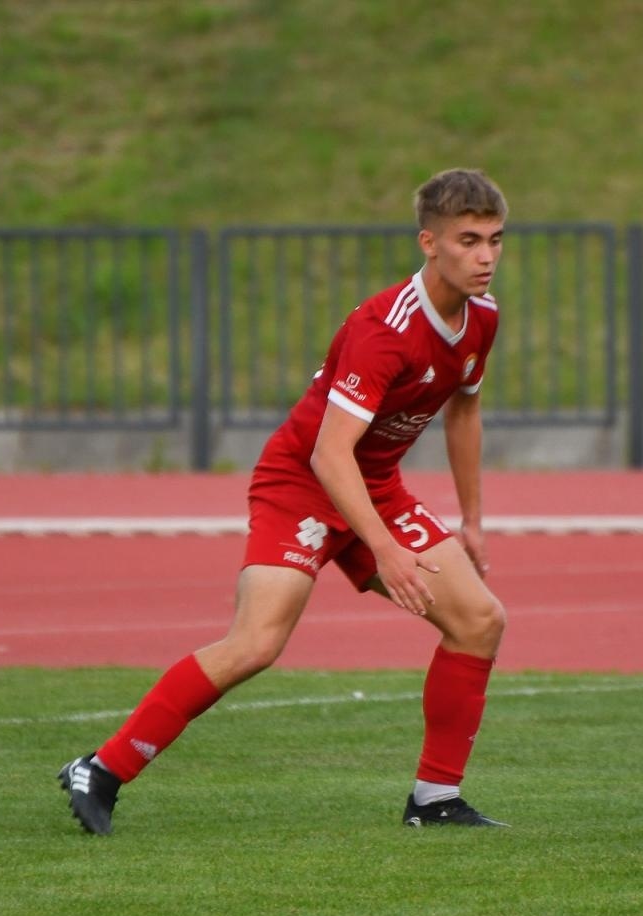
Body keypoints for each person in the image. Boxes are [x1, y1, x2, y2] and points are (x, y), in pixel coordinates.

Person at [59, 168, 510, 834]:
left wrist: (471, 521)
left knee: (480, 621)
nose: (486, 256)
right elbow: (329, 454)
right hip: (301, 482)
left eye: (496, 240)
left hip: (375, 488)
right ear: (428, 242)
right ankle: (100, 768)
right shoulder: (384, 330)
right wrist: (387, 550)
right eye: (469, 240)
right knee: (257, 643)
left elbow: (464, 412)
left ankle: (434, 800)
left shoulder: (482, 319)